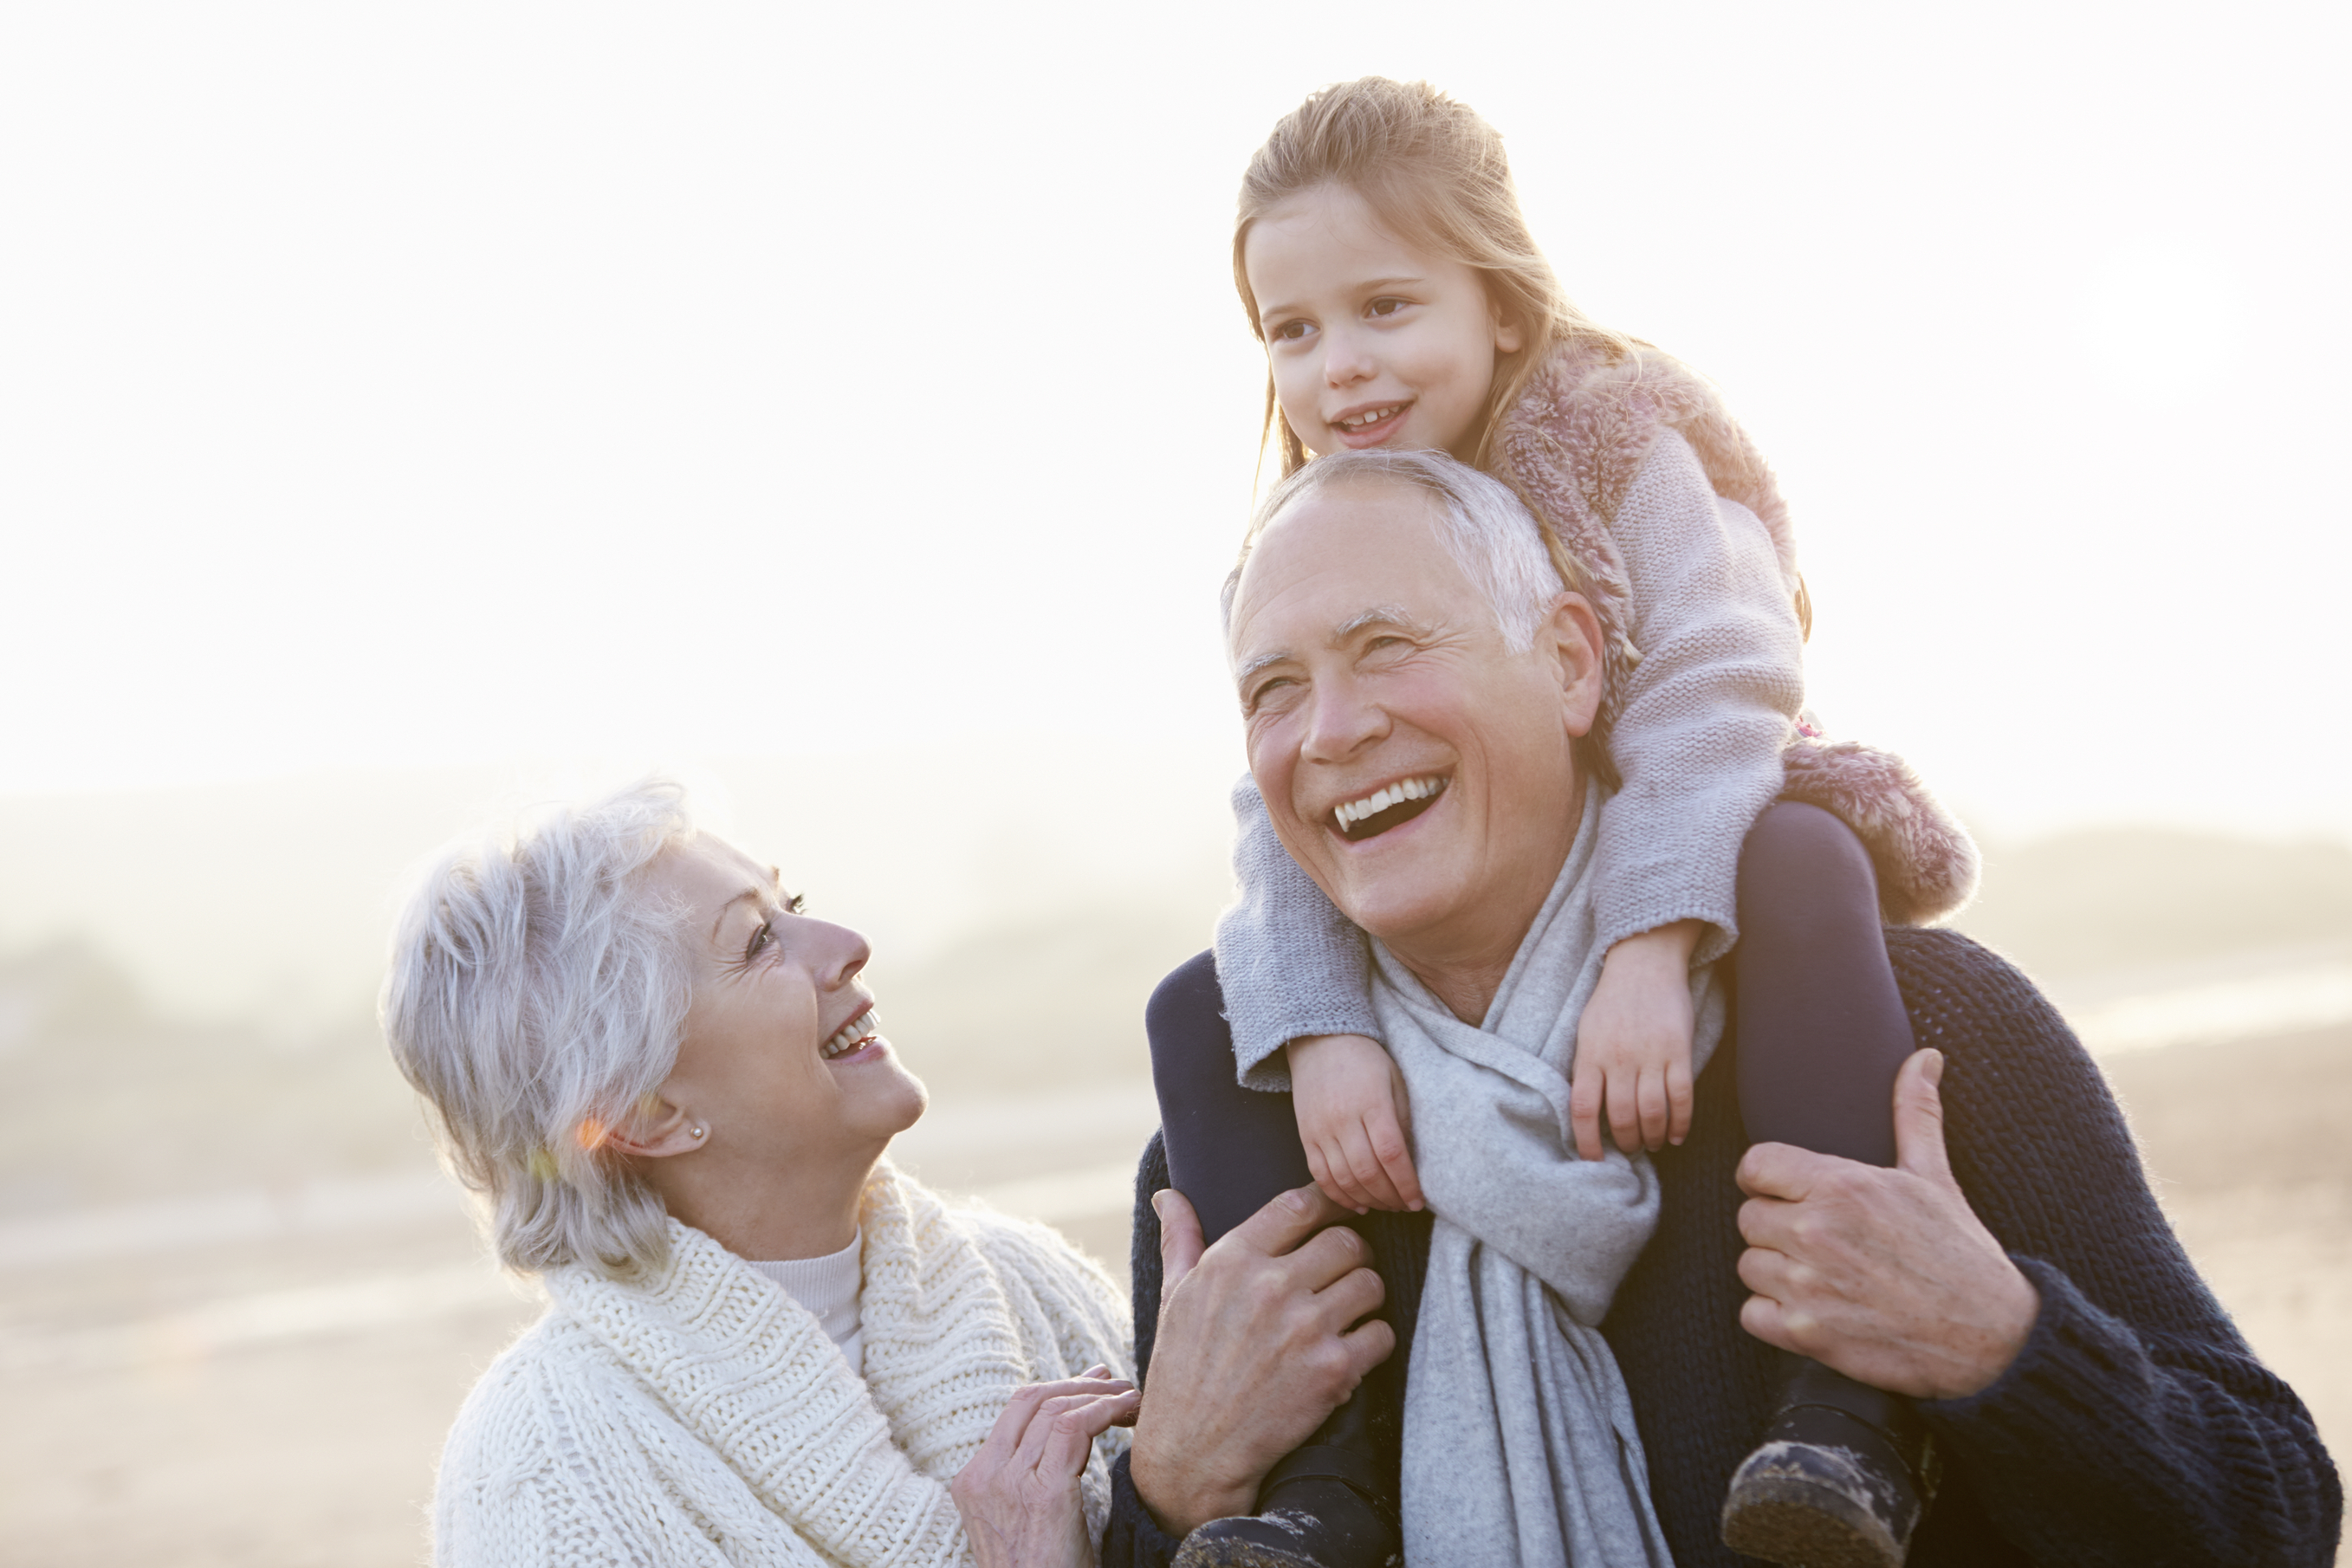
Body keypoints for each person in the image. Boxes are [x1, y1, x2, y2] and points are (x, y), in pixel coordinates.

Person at [1104, 451, 2341, 1567]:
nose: (1330, 728)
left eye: (1386, 647)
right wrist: (1162, 1494)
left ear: (1572, 662)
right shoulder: (1244, 1152)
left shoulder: (1914, 1029)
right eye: (1271, 687)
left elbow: (2275, 1515)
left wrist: (1996, 1343)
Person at [1152, 76, 1974, 1567]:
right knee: (1203, 1009)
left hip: (1695, 820)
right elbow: (1281, 805)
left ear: (1502, 305)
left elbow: (1724, 676)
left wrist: (1652, 945)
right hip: (1467, 926)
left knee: (1801, 856)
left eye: (1386, 307)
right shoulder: (1304, 533)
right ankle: (1316, 1491)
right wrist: (1325, 1026)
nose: (1339, 367)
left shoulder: (1612, 437)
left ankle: (1853, 1409)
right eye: (1292, 330)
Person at [379, 781, 1140, 1568]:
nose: (845, 942)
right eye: (754, 942)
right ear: (645, 1114)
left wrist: (1189, 1486)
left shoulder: (1034, 1285)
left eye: (795, 903)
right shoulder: (541, 1471)